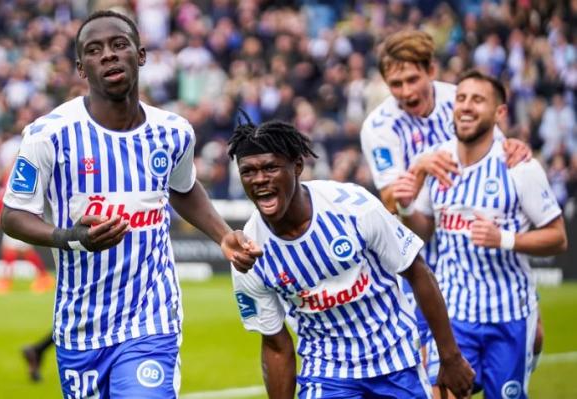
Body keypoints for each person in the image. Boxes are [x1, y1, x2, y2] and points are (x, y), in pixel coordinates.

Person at [1, 10, 260, 398]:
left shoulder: (173, 132)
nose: (108, 55)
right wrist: (72, 237)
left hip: (151, 321)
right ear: (81, 68)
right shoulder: (48, 135)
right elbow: (14, 215)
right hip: (80, 327)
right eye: (94, 50)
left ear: (140, 55)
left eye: (119, 44)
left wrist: (223, 235)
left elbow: (183, 188)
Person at [228, 115, 474, 399]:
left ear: (297, 166)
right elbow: (275, 343)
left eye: (270, 167)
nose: (259, 179)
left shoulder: (353, 207)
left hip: (395, 361)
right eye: (248, 171)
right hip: (327, 372)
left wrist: (450, 357)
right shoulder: (248, 253)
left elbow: (417, 272)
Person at [359, 29, 537, 364]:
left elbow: (498, 154)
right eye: (396, 85)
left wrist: (513, 147)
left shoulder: (460, 98)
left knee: (534, 336)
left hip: (473, 238)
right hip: (422, 250)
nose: (406, 92)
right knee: (436, 359)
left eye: (413, 79)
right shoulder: (379, 126)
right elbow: (390, 202)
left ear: (431, 71)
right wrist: (419, 167)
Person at [392, 70, 568, 399]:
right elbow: (424, 231)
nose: (466, 106)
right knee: (439, 393)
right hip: (454, 313)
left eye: (478, 99)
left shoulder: (519, 167)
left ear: (499, 112)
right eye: (461, 98)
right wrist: (405, 208)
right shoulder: (437, 162)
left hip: (509, 316)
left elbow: (558, 237)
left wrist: (505, 239)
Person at [0, 163, 55, 295]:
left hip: (18, 217)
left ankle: (6, 282)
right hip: (22, 217)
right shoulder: (14, 175)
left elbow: (5, 199)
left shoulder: (15, 175)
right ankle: (43, 277)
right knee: (23, 251)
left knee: (11, 250)